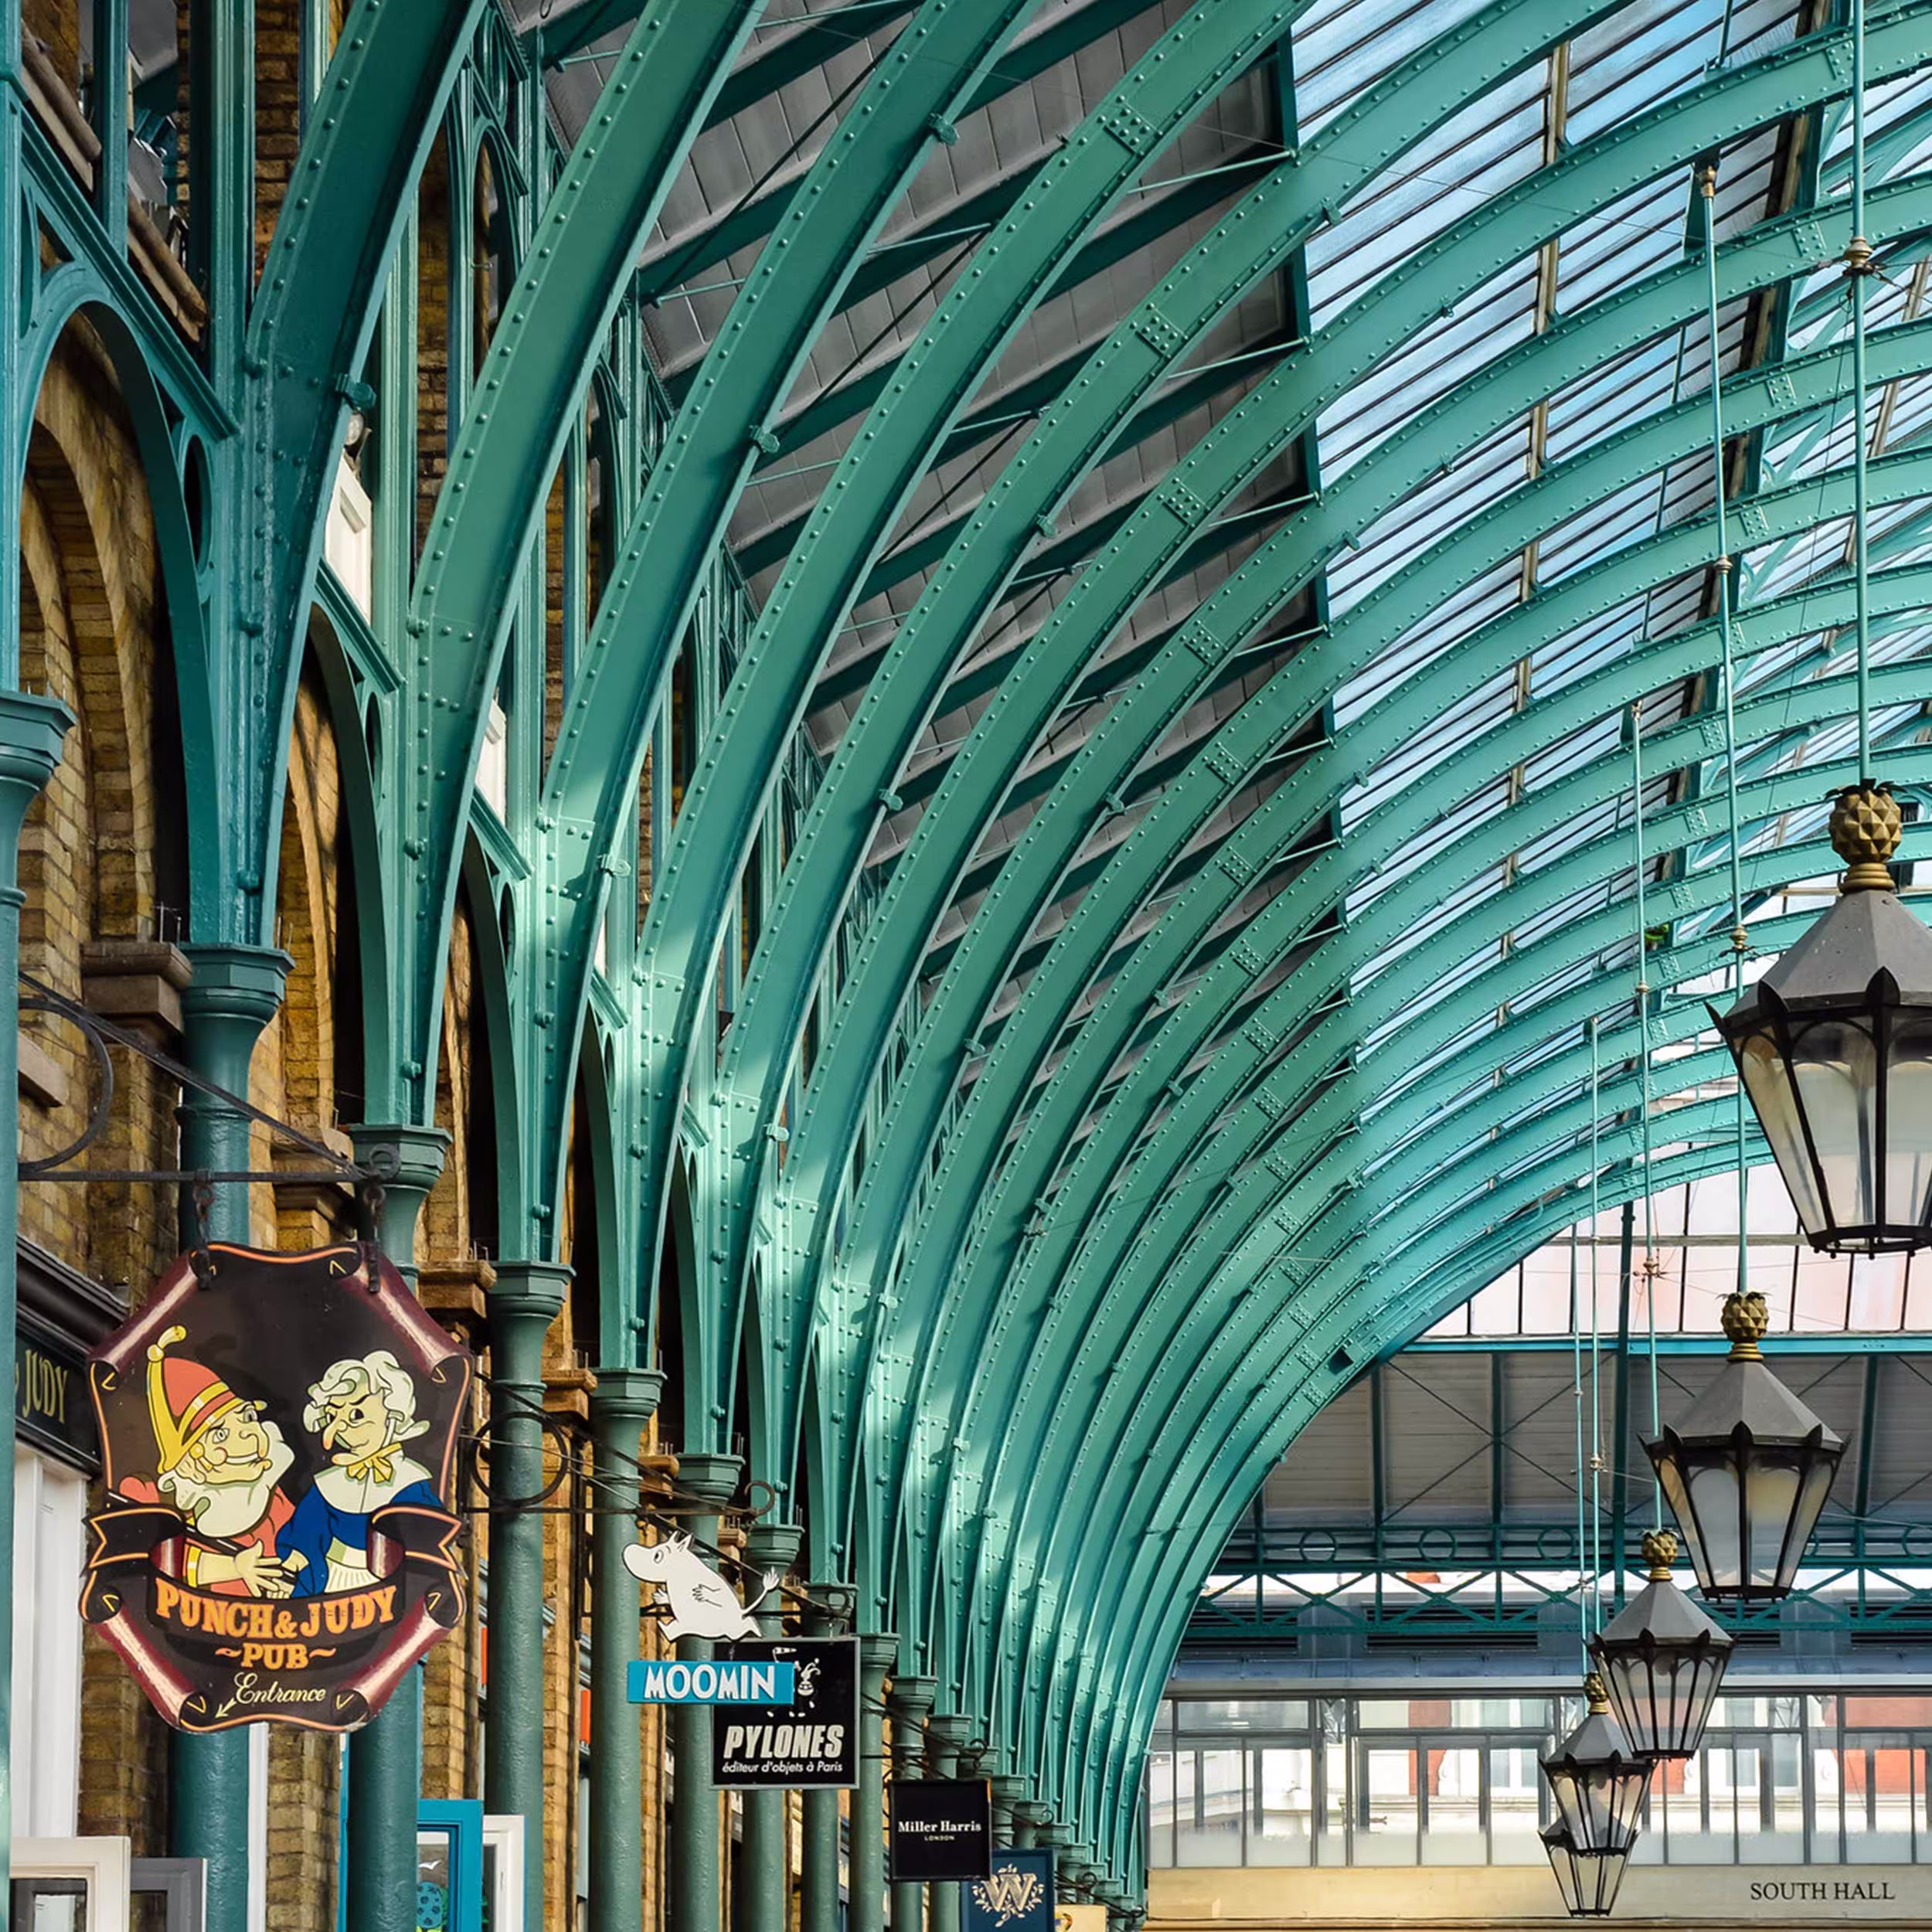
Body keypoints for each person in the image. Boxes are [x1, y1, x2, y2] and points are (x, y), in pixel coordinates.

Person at [120, 1325, 301, 1597]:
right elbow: (168, 1564)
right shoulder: (175, 1515)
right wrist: (234, 1567)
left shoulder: (272, 1499)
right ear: (190, 1463)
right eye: (220, 1434)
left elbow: (303, 1545)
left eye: (247, 1417)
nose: (248, 1436)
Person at [282, 1351, 440, 1596]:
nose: (341, 1427)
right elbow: (307, 1531)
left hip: (386, 1586)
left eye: (356, 1414)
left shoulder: (409, 1480)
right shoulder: (328, 1484)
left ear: (392, 1412)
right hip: (332, 1580)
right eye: (333, 1416)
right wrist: (295, 1561)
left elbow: (424, 1538)